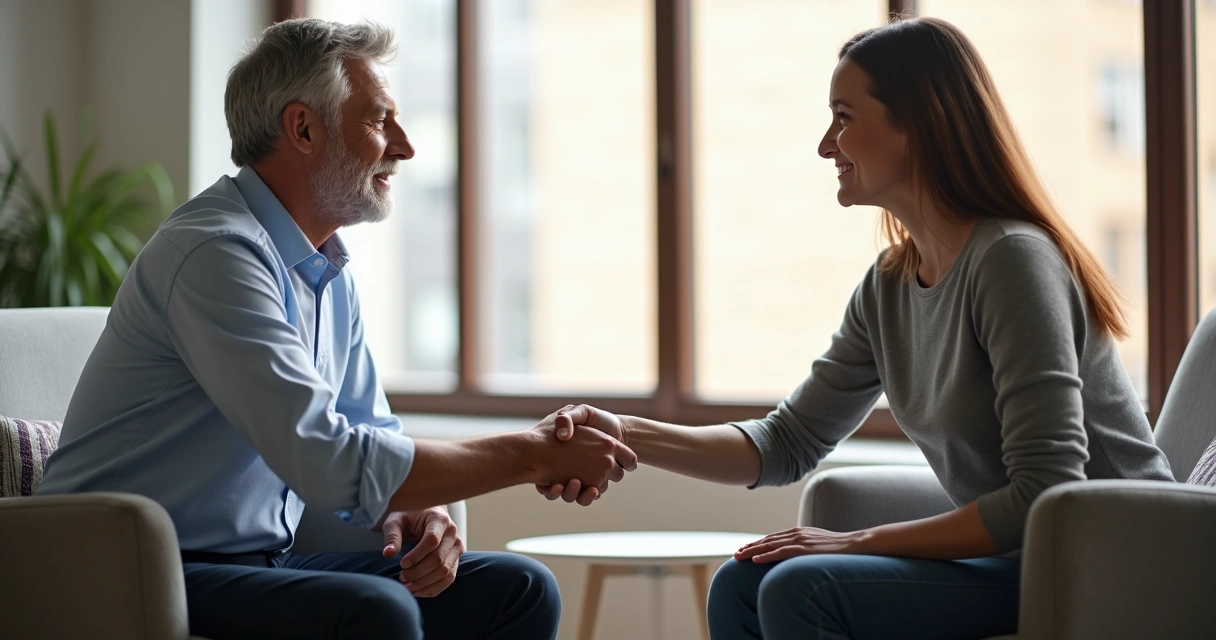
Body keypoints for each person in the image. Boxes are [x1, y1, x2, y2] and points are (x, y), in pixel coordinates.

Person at [543, 16, 1174, 640]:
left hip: (1116, 567)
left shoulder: (1012, 258)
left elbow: (1046, 490)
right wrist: (626, 435)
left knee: (802, 584)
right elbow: (786, 442)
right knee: (744, 582)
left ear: (918, 125)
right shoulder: (891, 285)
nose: (825, 144)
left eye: (844, 118)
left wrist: (851, 542)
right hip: (1020, 564)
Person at [36, 18, 637, 640]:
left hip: (255, 564)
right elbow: (327, 460)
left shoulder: (327, 269)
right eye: (380, 122)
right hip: (120, 570)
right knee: (379, 614)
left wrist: (417, 507)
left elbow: (369, 429)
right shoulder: (215, 254)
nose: (405, 147)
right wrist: (534, 454)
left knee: (517, 589)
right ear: (302, 127)